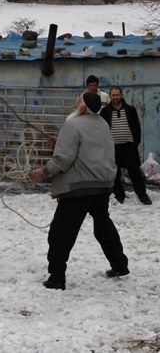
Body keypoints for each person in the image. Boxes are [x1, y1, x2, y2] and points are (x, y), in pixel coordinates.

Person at [31, 92, 129, 291]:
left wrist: (44, 172)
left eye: (79, 100)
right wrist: (60, 140)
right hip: (102, 185)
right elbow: (90, 147)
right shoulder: (102, 123)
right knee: (103, 227)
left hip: (79, 187)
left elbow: (63, 159)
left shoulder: (72, 124)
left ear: (83, 107)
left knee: (60, 233)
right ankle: (120, 265)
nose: (75, 102)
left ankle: (57, 278)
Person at [100, 87, 152, 205]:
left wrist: (134, 145)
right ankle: (119, 195)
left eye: (117, 95)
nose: (115, 97)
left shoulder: (131, 110)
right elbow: (102, 131)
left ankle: (142, 195)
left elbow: (137, 130)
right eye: (113, 95)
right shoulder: (105, 112)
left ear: (121, 95)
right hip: (113, 148)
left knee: (135, 173)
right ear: (110, 96)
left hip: (129, 148)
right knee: (115, 173)